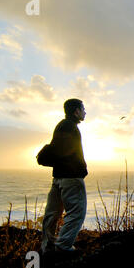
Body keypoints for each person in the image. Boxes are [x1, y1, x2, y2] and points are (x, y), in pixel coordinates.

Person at [41, 98, 88, 253]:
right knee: (76, 213)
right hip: (71, 178)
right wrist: (81, 168)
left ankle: (47, 246)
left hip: (59, 178)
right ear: (76, 111)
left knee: (52, 213)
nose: (85, 112)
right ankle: (63, 246)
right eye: (83, 109)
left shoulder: (62, 125)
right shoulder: (69, 127)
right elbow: (67, 153)